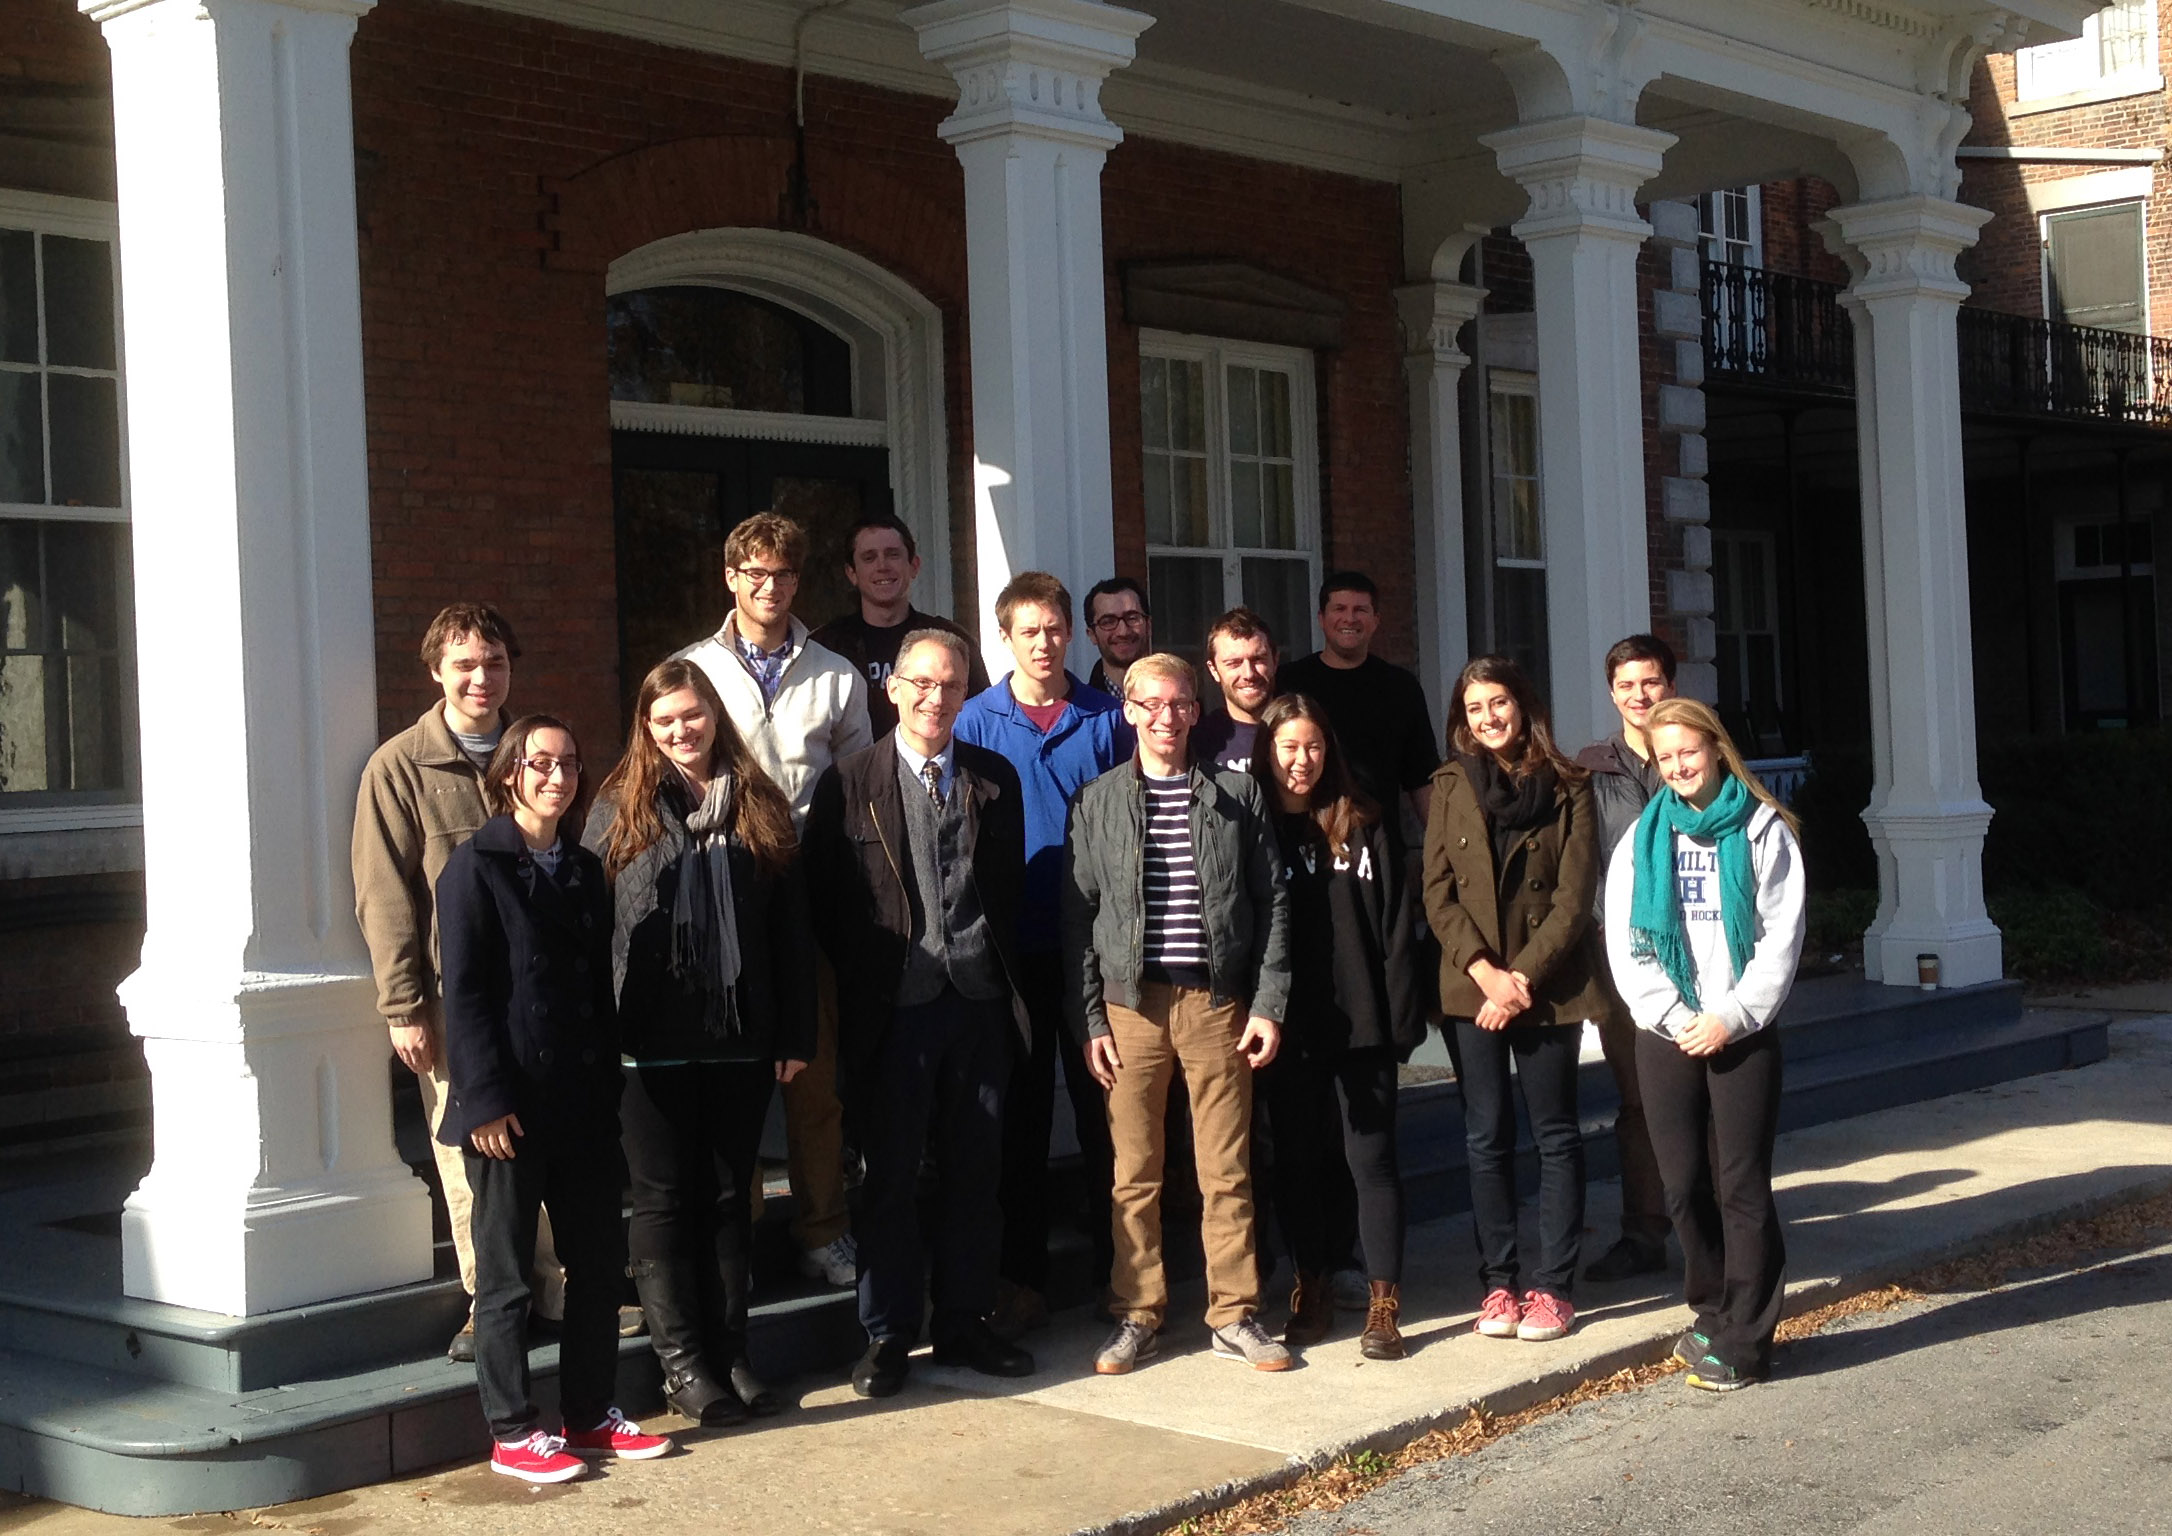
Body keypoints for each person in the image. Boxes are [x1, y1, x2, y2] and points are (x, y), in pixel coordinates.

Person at [436, 715, 671, 1484]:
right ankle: (511, 1431)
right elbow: (465, 997)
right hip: (507, 1111)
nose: (556, 777)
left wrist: (608, 1089)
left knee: (599, 1268)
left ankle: (590, 1414)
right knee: (505, 1279)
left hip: (581, 1105)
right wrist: (484, 1103)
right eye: (540, 763)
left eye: (569, 764)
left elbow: (595, 995)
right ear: (509, 775)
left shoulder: (582, 867)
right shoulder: (476, 868)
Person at [583, 660, 814, 1427]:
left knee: (728, 1200)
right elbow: (593, 930)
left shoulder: (758, 805)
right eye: (665, 720)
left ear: (715, 715)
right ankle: (683, 1366)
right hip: (648, 1045)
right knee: (662, 1200)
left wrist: (794, 1030)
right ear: (646, 730)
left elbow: (790, 931)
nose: (682, 730)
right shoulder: (620, 810)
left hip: (741, 1038)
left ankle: (731, 1354)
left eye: (693, 715)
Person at [807, 630, 1037, 1398]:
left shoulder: (994, 777)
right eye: (923, 684)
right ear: (894, 689)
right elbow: (826, 905)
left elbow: (1002, 893)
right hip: (894, 1012)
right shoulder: (847, 783)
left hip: (977, 1006)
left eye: (952, 686)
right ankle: (889, 1333)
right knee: (890, 1178)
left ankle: (967, 1321)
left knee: (979, 1172)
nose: (937, 699)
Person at [1064, 652, 1293, 1374]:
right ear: (1127, 711)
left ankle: (1234, 1314)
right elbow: (1080, 919)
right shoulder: (1096, 801)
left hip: (1216, 1004)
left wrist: (1268, 1003)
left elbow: (1273, 903)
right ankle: (1137, 1312)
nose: (1165, 717)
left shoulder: (1236, 796)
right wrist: (1092, 1020)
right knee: (1135, 1170)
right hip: (1132, 1008)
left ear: (1198, 710)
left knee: (1225, 1168)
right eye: (1150, 704)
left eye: (1179, 704)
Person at [352, 603, 564, 1364]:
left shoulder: (534, 751)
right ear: (436, 669)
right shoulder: (401, 766)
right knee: (470, 1152)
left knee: (536, 1140)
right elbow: (384, 896)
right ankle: (489, 1301)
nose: (482, 677)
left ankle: (549, 1286)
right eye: (466, 664)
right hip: (452, 998)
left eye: (496, 662)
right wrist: (403, 1005)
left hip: (539, 994)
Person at [677, 511, 870, 1289]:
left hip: (811, 891)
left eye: (783, 574)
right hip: (723, 886)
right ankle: (740, 1233)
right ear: (730, 578)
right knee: (733, 1080)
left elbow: (860, 789)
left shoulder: (835, 674)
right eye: (754, 573)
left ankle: (824, 1228)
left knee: (814, 1076)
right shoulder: (691, 671)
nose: (769, 586)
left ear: (799, 580)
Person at [1605, 697, 1805, 1393]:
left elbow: (1780, 941)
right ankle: (1713, 1310)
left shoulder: (1762, 832)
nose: (1680, 766)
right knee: (1685, 1184)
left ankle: (1748, 1339)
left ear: (1717, 749)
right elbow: (1627, 943)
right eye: (1666, 758)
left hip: (1742, 1032)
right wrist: (1672, 1014)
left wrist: (1730, 1015)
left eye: (1690, 751)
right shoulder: (1642, 840)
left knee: (1740, 1186)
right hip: (1666, 1033)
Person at [953, 571, 1131, 1334]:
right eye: (1029, 630)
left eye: (1055, 628)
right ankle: (1020, 1280)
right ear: (1006, 637)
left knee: (1107, 1120)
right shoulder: (974, 721)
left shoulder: (1107, 718)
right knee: (1018, 1125)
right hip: (1012, 950)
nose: (1044, 641)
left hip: (1093, 946)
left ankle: (1119, 1278)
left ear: (1070, 634)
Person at [1422, 655, 1610, 1346]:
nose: (1488, 718)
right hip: (1472, 986)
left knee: (1555, 1134)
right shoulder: (1449, 785)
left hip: (1547, 984)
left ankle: (1554, 1286)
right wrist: (1486, 974)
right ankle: (1498, 1282)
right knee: (1485, 1134)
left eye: (1497, 703)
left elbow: (1574, 893)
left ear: (1522, 705)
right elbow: (1436, 892)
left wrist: (1520, 978)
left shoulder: (1569, 784)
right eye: (1474, 709)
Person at [1249, 694, 1424, 1359]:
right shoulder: (1253, 828)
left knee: (1370, 1159)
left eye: (1314, 746)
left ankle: (1383, 1303)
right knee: (1297, 1161)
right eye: (1289, 747)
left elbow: (1395, 930)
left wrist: (1400, 1021)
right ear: (1269, 752)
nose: (1302, 760)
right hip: (1288, 1025)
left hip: (1363, 1022)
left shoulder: (1364, 821)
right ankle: (1311, 1285)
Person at [1577, 634, 1681, 1284]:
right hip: (1619, 958)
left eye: (1651, 682)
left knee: (1700, 1097)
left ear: (1671, 684)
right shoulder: (1591, 769)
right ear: (1612, 692)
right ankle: (1643, 1232)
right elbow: (1580, 863)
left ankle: (1712, 1230)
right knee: (1639, 1097)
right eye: (1627, 685)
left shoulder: (1702, 756)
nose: (1639, 696)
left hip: (1699, 956)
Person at [1277, 572, 1439, 843]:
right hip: (1305, 841)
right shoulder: (1289, 683)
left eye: (1360, 610)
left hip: (1380, 847)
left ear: (1376, 619)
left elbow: (1421, 779)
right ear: (1321, 618)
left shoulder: (1401, 687)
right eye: (1339, 609)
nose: (1349, 619)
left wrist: (1442, 849)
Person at [810, 514, 989, 738]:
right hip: (854, 771)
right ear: (852, 573)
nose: (882, 566)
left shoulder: (951, 642)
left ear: (914, 566)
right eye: (869, 558)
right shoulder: (825, 647)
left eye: (893, 555)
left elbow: (982, 718)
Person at [1193, 607, 1277, 773]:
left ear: (1275, 660)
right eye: (1234, 663)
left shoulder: (1304, 732)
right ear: (1213, 670)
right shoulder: (1197, 742)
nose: (1248, 674)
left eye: (1258, 659)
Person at [1082, 576, 1152, 698]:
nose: (1123, 632)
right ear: (1092, 634)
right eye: (1108, 621)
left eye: (1132, 618)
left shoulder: (1184, 709)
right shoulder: (1079, 712)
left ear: (1149, 626)